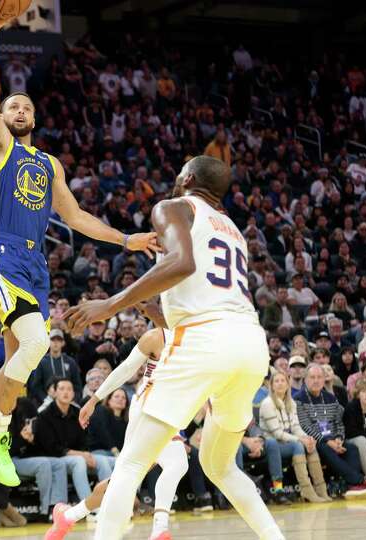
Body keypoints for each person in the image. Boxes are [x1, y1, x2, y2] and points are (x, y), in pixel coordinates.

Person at [0, 3, 158, 496]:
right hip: (2, 252)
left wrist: (127, 238)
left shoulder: (49, 163)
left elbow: (76, 218)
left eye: (26, 107)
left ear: (35, 118)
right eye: (12, 105)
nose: (18, 111)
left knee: (19, 363)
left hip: (35, 263)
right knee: (37, 344)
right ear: (1, 116)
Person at [64, 156, 281, 540]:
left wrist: (110, 304)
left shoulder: (173, 207)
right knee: (221, 466)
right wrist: (154, 306)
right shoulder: (232, 229)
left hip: (204, 340)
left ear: (188, 178)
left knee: (130, 464)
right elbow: (198, 293)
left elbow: (181, 264)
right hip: (250, 343)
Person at [48, 328, 189, 540]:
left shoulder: (202, 340)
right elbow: (125, 369)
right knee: (175, 463)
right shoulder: (159, 337)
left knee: (125, 480)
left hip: (169, 411)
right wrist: (95, 399)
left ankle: (68, 515)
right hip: (149, 407)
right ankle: (159, 529)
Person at [296, 364, 366, 498]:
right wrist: (328, 441)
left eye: (319, 377)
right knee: (325, 448)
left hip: (334, 439)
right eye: (312, 377)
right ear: (305, 380)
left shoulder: (330, 398)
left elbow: (339, 422)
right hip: (314, 441)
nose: (316, 380)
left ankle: (351, 488)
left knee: (352, 448)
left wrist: (339, 438)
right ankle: (359, 480)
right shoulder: (298, 399)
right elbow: (305, 426)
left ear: (324, 379)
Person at [258, 371, 330, 503]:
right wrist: (299, 440)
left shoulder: (291, 402)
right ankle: (306, 489)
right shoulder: (267, 403)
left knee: (310, 446)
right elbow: (277, 433)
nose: (280, 384)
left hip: (287, 442)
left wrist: (307, 438)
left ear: (288, 384)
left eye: (282, 381)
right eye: (276, 381)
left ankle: (321, 489)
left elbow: (296, 427)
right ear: (272, 385)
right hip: (272, 444)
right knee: (298, 445)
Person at [28, 329, 82, 404]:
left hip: (68, 401)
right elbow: (36, 386)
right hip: (47, 401)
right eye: (53, 339)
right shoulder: (41, 362)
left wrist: (74, 399)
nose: (56, 342)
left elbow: (77, 385)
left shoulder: (71, 362)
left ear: (63, 343)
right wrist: (45, 399)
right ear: (48, 342)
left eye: (59, 340)